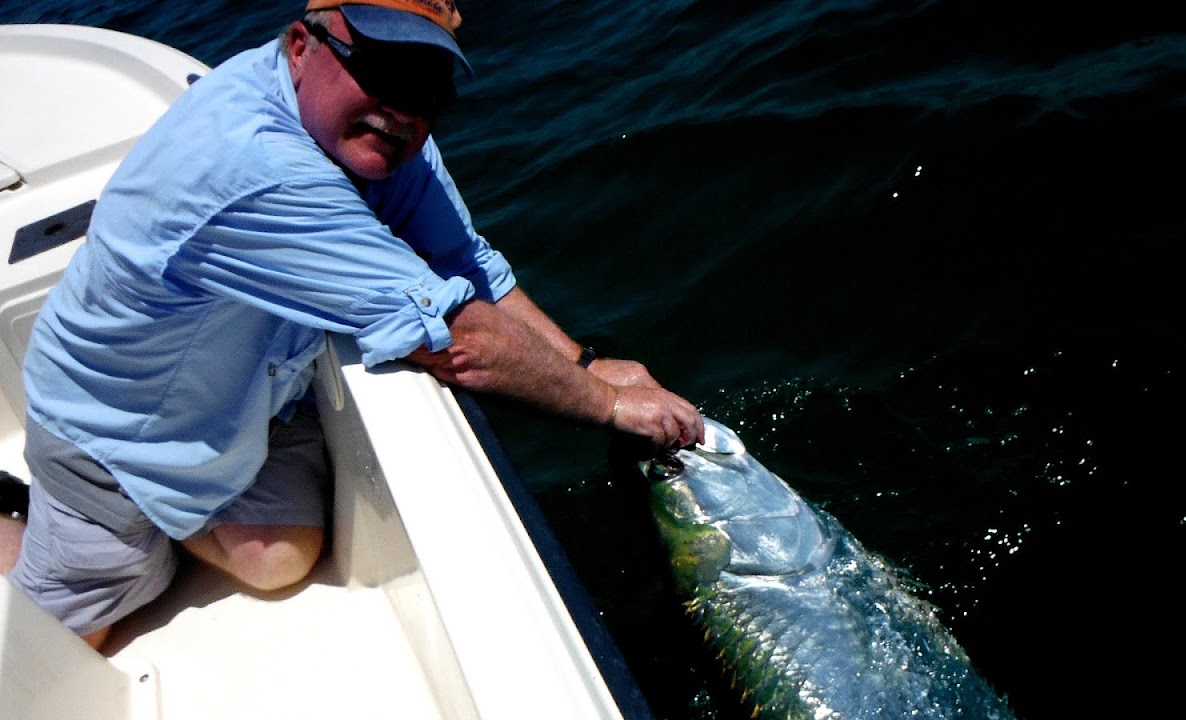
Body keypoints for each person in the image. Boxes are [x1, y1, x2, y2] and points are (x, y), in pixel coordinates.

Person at [0, 0, 704, 651]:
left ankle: (185, 509)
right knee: (71, 642)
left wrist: (580, 365)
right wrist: (609, 405)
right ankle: (23, 523)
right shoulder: (258, 166)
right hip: (113, 436)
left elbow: (462, 260)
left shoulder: (377, 128)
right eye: (380, 67)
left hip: (247, 403)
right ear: (302, 45)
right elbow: (455, 338)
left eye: (428, 85)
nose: (402, 107)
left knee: (280, 560)